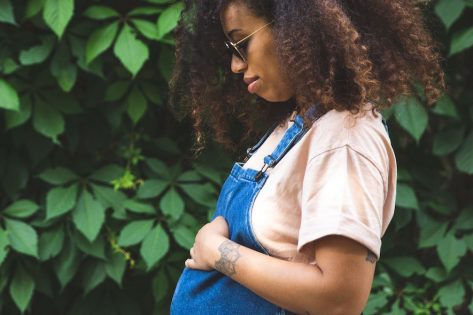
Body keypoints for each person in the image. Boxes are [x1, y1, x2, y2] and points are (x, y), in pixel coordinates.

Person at [169, 0, 445, 314]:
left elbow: (340, 298)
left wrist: (217, 250)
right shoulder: (297, 126)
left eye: (241, 43)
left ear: (291, 27)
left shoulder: (345, 137)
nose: (235, 65)